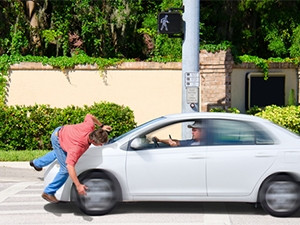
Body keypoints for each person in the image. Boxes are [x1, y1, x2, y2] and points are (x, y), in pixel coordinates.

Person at [30, 114, 112, 203]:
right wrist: (78, 185)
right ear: (92, 140)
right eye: (100, 143)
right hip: (58, 138)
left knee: (58, 153)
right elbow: (70, 166)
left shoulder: (89, 126)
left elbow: (89, 116)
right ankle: (48, 192)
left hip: (63, 132)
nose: (101, 145)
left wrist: (102, 126)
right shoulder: (77, 148)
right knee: (64, 169)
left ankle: (36, 163)